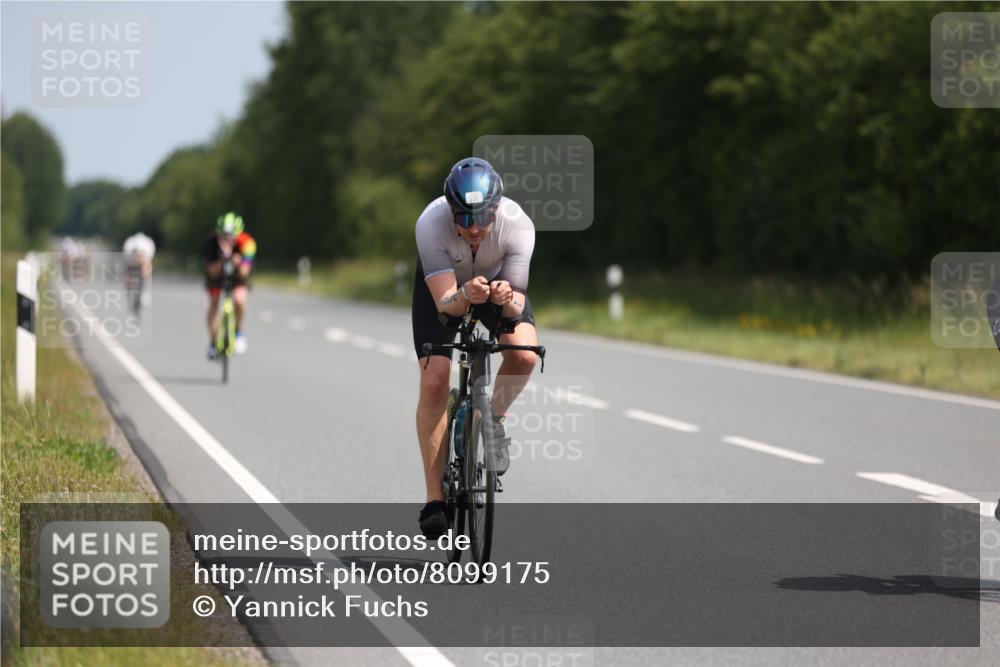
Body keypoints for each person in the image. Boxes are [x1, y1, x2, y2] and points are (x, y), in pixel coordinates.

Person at [413, 157, 539, 537]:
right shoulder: (430, 223)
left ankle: (493, 420)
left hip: (498, 287)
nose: (473, 228)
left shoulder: (518, 225)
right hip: (447, 291)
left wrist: (505, 297)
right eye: (463, 217)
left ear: (496, 209)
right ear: (449, 210)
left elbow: (517, 305)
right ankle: (435, 500)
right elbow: (444, 305)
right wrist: (465, 294)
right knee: (435, 380)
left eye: (483, 217)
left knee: (524, 355)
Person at [203, 212, 256, 358]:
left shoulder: (248, 243)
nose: (227, 240)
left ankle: (239, 332)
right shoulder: (211, 243)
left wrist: (237, 262)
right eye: (223, 236)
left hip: (238, 276)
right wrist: (223, 260)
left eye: (231, 237)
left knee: (239, 300)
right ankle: (213, 342)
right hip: (217, 276)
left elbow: (245, 272)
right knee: (214, 302)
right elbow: (212, 272)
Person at [122, 231, 156, 307]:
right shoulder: (129, 248)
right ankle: (129, 290)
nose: (138, 257)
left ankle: (144, 292)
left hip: (145, 260)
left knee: (146, 269)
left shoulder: (148, 249)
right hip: (131, 261)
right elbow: (127, 264)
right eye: (137, 254)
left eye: (140, 255)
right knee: (128, 274)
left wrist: (145, 274)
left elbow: (148, 263)